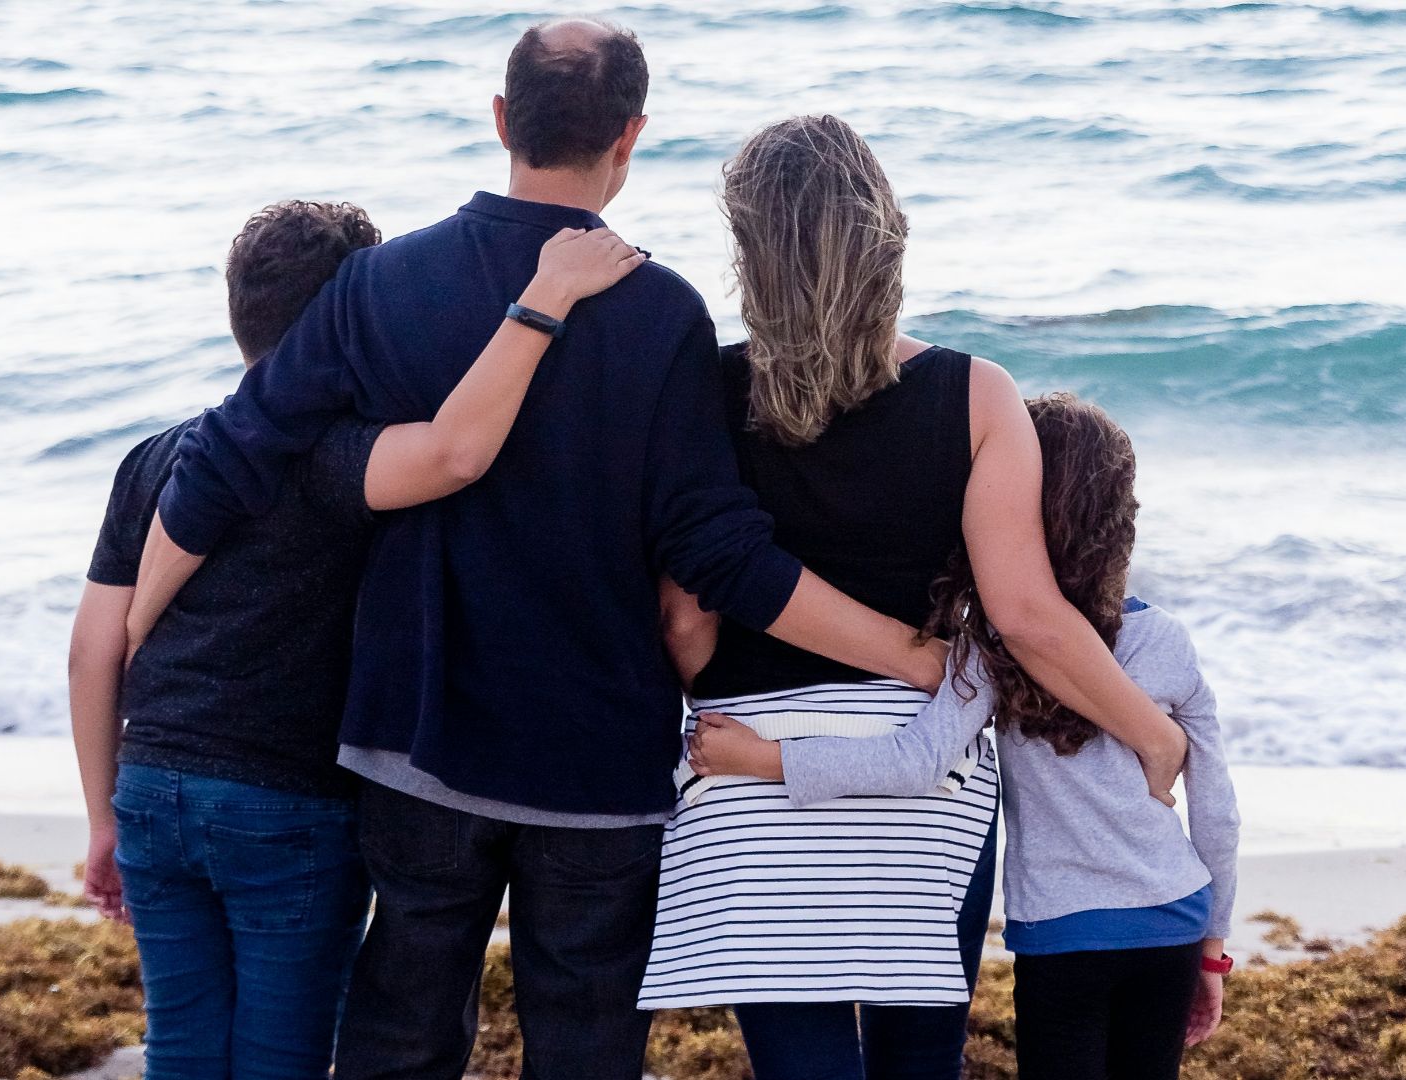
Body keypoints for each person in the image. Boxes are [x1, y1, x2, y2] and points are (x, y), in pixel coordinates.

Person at [122, 20, 948, 1080]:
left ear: (503, 119)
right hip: (597, 762)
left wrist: (138, 626)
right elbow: (719, 553)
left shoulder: (382, 285)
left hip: (415, 739)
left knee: (400, 1036)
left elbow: (233, 455)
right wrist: (905, 651)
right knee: (588, 1044)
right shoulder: (662, 315)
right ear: (632, 136)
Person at [637, 116, 1193, 1080]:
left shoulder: (704, 392)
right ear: (886, 233)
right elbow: (1027, 618)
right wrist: (1152, 734)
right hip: (922, 781)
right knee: (920, 1059)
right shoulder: (978, 394)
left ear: (749, 252)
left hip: (751, 779)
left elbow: (685, 622)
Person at [69, 201, 645, 1079]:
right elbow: (458, 451)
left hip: (153, 786)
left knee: (181, 1045)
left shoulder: (156, 457)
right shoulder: (341, 460)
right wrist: (545, 301)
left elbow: (91, 650)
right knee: (284, 1055)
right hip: (288, 803)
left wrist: (101, 813)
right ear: (354, 318)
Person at [691, 394, 1243, 1080]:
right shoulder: (1166, 640)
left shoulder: (991, 643)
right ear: (1119, 517)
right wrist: (1214, 948)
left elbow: (915, 762)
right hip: (1175, 921)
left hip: (1064, 936)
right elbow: (1216, 810)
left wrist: (764, 758)